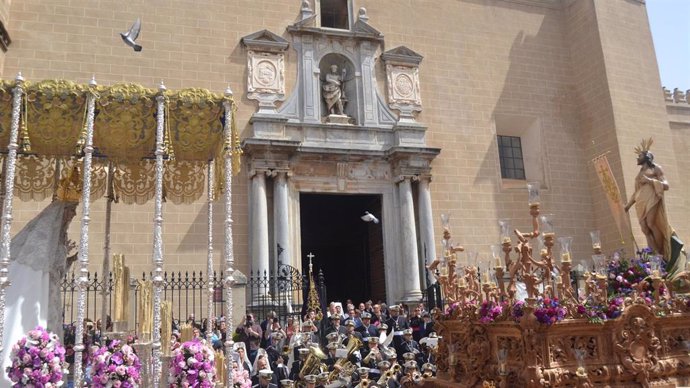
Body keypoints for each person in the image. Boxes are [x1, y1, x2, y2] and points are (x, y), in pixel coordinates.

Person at [625, 138, 685, 276]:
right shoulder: (639, 173)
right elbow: (636, 192)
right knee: (645, 228)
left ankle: (661, 252)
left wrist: (650, 181)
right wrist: (627, 206)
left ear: (646, 157)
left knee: (652, 224)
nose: (637, 158)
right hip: (640, 202)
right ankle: (653, 254)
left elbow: (666, 185)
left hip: (652, 199)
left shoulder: (655, 168)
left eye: (639, 156)